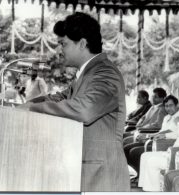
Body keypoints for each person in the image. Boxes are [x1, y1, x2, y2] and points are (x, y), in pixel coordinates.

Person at [25, 12, 130, 191]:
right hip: (87, 171)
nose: (59, 51)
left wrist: (32, 110)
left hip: (101, 176)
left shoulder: (105, 73)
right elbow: (60, 97)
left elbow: (84, 110)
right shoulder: (87, 74)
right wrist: (24, 105)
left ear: (82, 43)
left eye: (63, 44)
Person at [125, 95, 179, 174]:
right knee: (127, 148)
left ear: (177, 105)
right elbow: (162, 131)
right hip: (157, 141)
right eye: (166, 106)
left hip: (165, 145)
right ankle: (138, 173)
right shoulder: (167, 117)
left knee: (134, 152)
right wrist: (147, 136)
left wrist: (151, 136)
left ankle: (140, 174)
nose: (168, 108)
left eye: (171, 105)